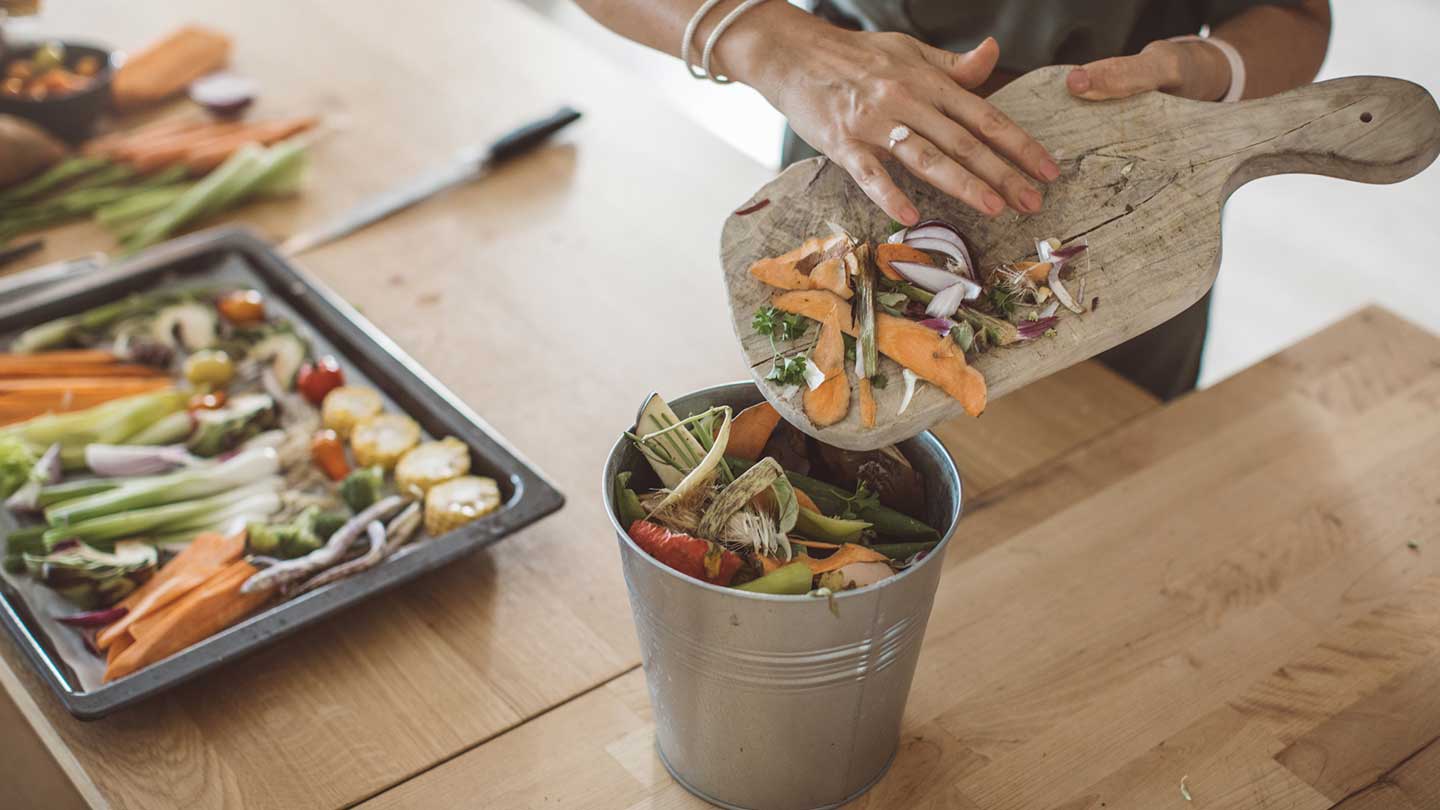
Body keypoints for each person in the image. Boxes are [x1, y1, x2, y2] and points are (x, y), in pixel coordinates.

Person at [575, 0, 1331, 399]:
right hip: (857, 175)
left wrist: (1206, 70)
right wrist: (765, 40)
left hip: (1124, 208)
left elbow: (1293, 13)